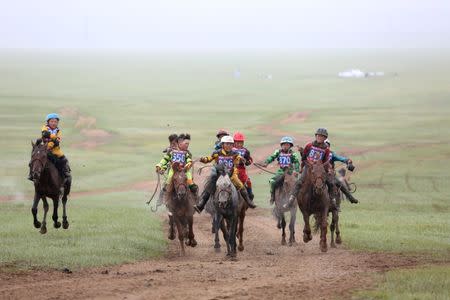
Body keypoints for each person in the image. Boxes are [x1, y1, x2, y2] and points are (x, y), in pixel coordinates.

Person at [194, 135, 256, 213]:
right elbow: (209, 159)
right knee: (210, 185)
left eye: (230, 144)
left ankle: (249, 201)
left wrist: (243, 159)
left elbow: (239, 160)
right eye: (226, 144)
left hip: (231, 174)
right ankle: (201, 204)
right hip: (219, 174)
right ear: (222, 144)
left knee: (240, 185)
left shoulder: (235, 153)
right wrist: (203, 159)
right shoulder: (217, 153)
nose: (228, 146)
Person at [28, 113, 71, 182]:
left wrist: (51, 140)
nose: (54, 123)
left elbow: (57, 142)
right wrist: (54, 138)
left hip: (55, 150)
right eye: (52, 121)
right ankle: (31, 174)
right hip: (44, 149)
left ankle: (65, 173)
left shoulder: (58, 131)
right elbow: (45, 133)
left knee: (64, 160)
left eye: (55, 122)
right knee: (35, 159)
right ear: (48, 122)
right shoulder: (44, 127)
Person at [262, 136, 300, 204]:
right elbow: (272, 157)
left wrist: (296, 171)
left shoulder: (293, 154)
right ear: (281, 145)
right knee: (272, 181)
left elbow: (297, 162)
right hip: (281, 172)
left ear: (290, 146)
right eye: (284, 144)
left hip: (290, 172)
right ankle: (273, 196)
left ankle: (298, 199)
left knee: (297, 184)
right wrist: (266, 162)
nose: (285, 146)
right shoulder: (278, 152)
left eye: (287, 145)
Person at [232, 131, 254, 200]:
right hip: (231, 169)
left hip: (241, 169)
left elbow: (249, 160)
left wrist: (247, 161)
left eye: (240, 142)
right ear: (234, 142)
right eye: (237, 142)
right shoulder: (230, 149)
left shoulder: (245, 151)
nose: (239, 144)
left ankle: (250, 196)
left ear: (243, 143)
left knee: (248, 181)